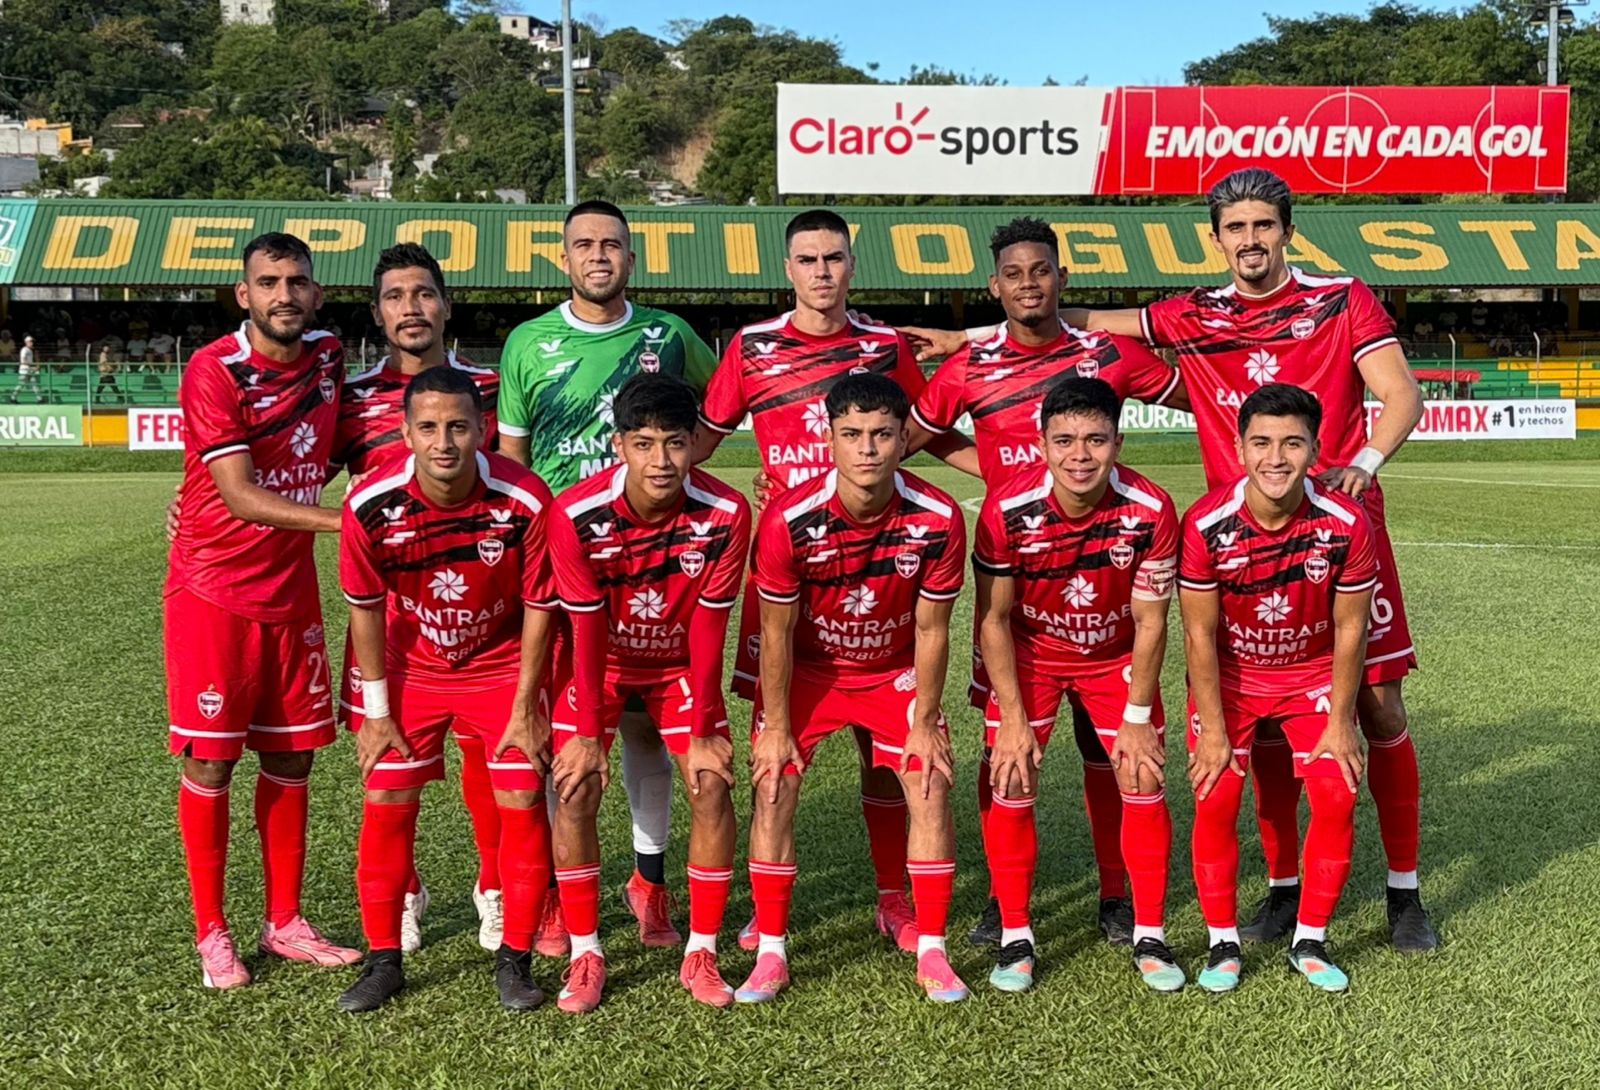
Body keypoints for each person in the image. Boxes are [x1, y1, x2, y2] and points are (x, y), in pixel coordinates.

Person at [908, 167, 1435, 952]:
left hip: (1340, 527)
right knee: (1259, 714)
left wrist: (1364, 462)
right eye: (1236, 227)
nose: (1250, 240)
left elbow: (1402, 394)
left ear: (1287, 231)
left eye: (1263, 225)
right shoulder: (1193, 314)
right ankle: (1283, 890)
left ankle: (1405, 892)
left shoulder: (1340, 298)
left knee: (1381, 704)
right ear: (1216, 238)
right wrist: (971, 339)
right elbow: (1067, 313)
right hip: (1235, 539)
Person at [695, 208, 975, 955]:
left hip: (879, 567)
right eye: (808, 259)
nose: (822, 272)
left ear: (853, 264)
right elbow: (700, 442)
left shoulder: (884, 346)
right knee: (777, 750)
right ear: (787, 268)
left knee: (883, 756)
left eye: (834, 258)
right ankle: (768, 909)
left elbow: (928, 431)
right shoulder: (752, 347)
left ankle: (893, 899)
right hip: (790, 570)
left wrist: (1012, 480)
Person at [904, 216, 1183, 950]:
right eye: (1013, 274)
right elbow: (911, 437)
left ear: (1063, 277)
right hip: (1020, 578)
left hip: (1100, 581)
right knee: (1006, 755)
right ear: (994, 286)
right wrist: (993, 474)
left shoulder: (1106, 354)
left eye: (1040, 271)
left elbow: (1206, 400)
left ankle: (1116, 895)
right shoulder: (969, 367)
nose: (1028, 284)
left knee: (1109, 752)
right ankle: (1004, 902)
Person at [497, 200, 720, 956]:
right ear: (563, 258)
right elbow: (514, 463)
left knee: (647, 728)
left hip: (653, 557)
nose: (599, 255)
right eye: (584, 244)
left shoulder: (668, 335)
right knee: (564, 732)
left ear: (632, 256)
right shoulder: (528, 343)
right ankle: (557, 897)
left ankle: (648, 884)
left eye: (613, 244)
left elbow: (721, 408)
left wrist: (682, 478)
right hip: (565, 561)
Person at [165, 232, 359, 989]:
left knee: (291, 756)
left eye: (297, 281)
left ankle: (285, 922)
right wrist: (348, 522)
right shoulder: (215, 369)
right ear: (243, 294)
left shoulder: (329, 357)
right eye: (269, 282)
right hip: (213, 589)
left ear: (316, 293)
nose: (285, 294)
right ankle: (211, 933)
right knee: (211, 759)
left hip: (291, 591)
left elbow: (333, 447)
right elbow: (241, 495)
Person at [737, 373, 968, 1004]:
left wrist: (925, 720)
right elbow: (776, 634)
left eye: (882, 434)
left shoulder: (938, 517)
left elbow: (932, 629)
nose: (867, 448)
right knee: (773, 783)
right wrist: (776, 726)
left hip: (891, 670)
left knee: (928, 779)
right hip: (811, 671)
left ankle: (930, 945)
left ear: (903, 439)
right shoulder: (789, 519)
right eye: (852, 434)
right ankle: (773, 949)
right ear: (830, 439)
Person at [335, 367, 557, 1013]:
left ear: (483, 429)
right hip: (411, 666)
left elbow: (540, 606)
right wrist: (377, 713)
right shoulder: (370, 503)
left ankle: (515, 959)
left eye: (458, 426)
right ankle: (384, 960)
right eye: (428, 427)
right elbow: (365, 609)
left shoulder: (524, 498)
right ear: (405, 433)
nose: (444, 442)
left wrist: (526, 706)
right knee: (386, 795)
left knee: (521, 794)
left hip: (499, 662)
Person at [544, 373, 750, 1013]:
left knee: (710, 782)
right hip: (601, 663)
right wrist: (586, 736)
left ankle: (702, 951)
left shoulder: (726, 513)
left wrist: (705, 729)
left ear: (694, 444)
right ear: (619, 445)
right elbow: (584, 627)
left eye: (675, 443)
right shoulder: (575, 513)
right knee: (575, 784)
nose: (661, 461)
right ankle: (586, 953)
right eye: (644, 444)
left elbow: (710, 627)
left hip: (678, 666)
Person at [973, 376, 1182, 994]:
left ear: (1119, 443)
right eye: (1064, 440)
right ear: (1042, 444)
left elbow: (1151, 621)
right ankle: (1015, 935)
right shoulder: (1005, 509)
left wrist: (1138, 717)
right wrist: (1013, 717)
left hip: (1113, 655)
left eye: (1095, 439)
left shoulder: (1151, 509)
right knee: (1011, 774)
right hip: (1032, 654)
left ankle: (1147, 930)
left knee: (1141, 775)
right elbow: (993, 620)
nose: (1080, 455)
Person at [332, 242, 505, 954]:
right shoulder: (351, 400)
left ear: (446, 305)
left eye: (425, 293)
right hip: (395, 624)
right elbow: (291, 471)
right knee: (387, 760)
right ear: (377, 313)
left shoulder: (490, 387)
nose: (412, 308)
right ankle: (402, 892)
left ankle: (495, 886)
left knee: (490, 757)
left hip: (486, 613)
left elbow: (519, 481)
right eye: (396, 296)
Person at [1180, 383, 1375, 993]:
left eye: (1292, 443)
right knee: (1215, 794)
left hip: (1310, 675)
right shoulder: (1205, 523)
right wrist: (1214, 732)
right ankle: (1223, 944)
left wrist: (1341, 721)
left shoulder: (1347, 522)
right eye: (1261, 442)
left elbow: (1351, 629)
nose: (1275, 458)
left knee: (1337, 792)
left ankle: (1309, 939)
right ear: (1239, 448)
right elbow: (1198, 636)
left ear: (1315, 449)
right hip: (1232, 680)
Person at [12, 335, 40, 402]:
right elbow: (23, 361)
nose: (32, 343)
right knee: (21, 385)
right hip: (24, 371)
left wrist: (33, 367)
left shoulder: (31, 350)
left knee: (35, 384)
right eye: (30, 341)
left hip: (30, 370)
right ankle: (13, 398)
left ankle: (40, 399)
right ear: (26, 342)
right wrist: (32, 367)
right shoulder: (24, 349)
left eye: (32, 341)